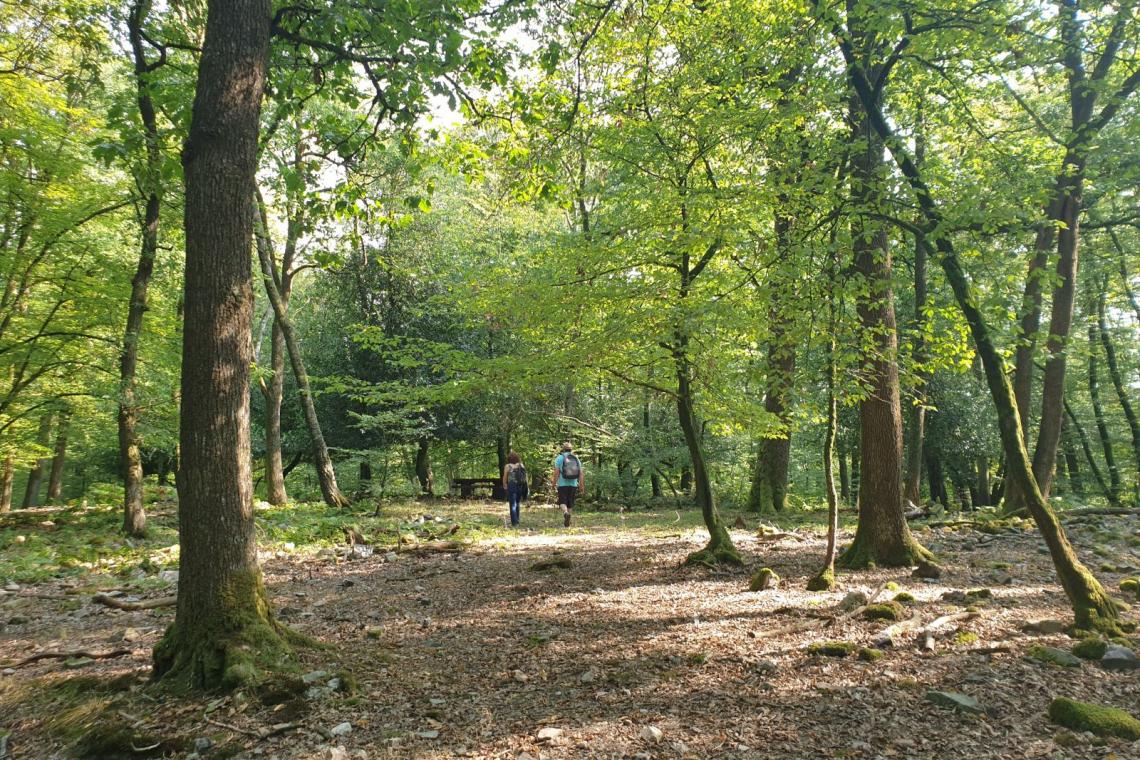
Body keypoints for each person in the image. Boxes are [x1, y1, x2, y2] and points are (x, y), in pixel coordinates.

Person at [551, 442, 583, 527]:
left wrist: (553, 483)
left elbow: (556, 472)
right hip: (573, 484)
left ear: (563, 449)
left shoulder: (560, 458)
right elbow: (581, 473)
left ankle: (565, 513)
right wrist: (581, 485)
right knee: (570, 503)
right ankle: (568, 522)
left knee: (562, 502)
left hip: (562, 484)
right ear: (571, 449)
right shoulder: (576, 458)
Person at [502, 451, 527, 527]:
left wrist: (504, 484)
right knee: (518, 503)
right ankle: (517, 520)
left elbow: (505, 476)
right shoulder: (521, 465)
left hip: (511, 485)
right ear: (517, 458)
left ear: (509, 459)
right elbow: (525, 476)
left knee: (512, 504)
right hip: (520, 485)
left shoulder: (507, 466)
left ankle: (514, 523)